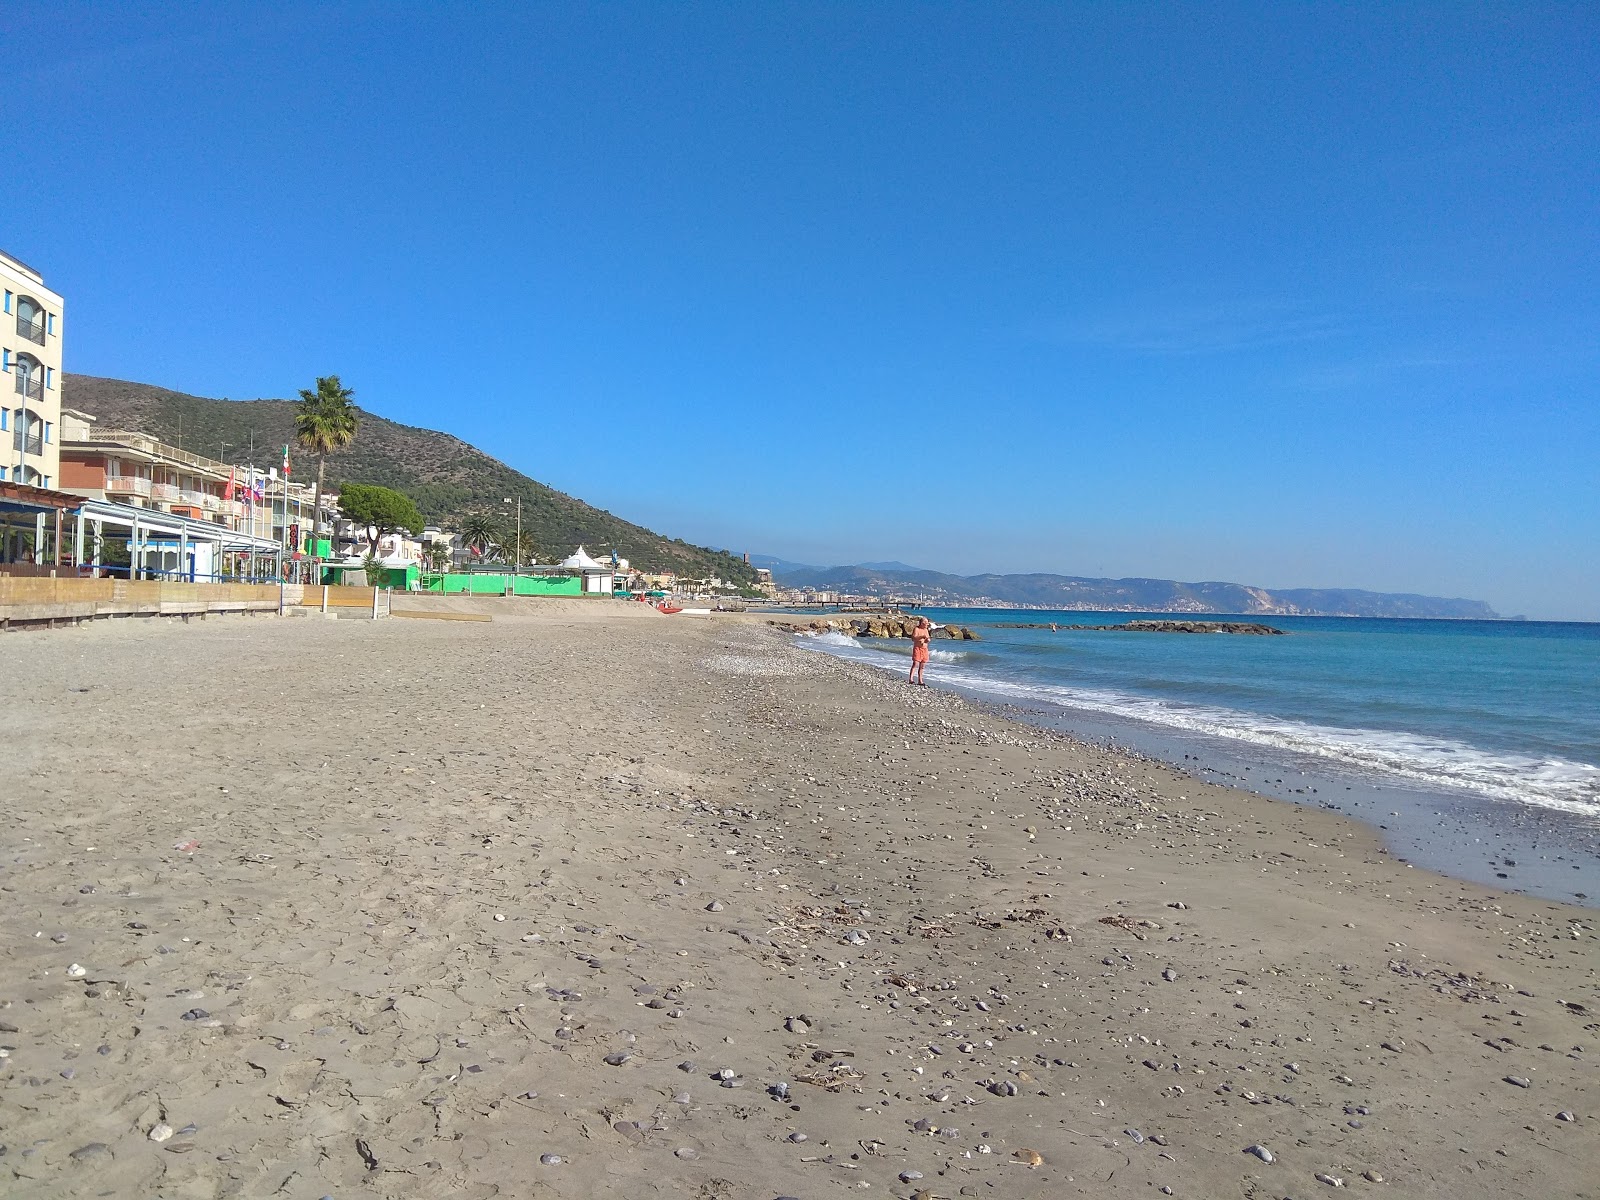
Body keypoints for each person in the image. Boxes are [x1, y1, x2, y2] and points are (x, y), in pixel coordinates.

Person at [909, 616, 931, 686]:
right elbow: (913, 638)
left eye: (927, 623)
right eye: (926, 623)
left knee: (922, 665)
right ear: (922, 623)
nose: (927, 624)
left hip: (924, 649)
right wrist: (921, 637)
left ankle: (920, 680)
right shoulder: (917, 629)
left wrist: (927, 640)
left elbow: (927, 638)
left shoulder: (926, 630)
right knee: (915, 663)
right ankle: (911, 679)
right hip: (917, 648)